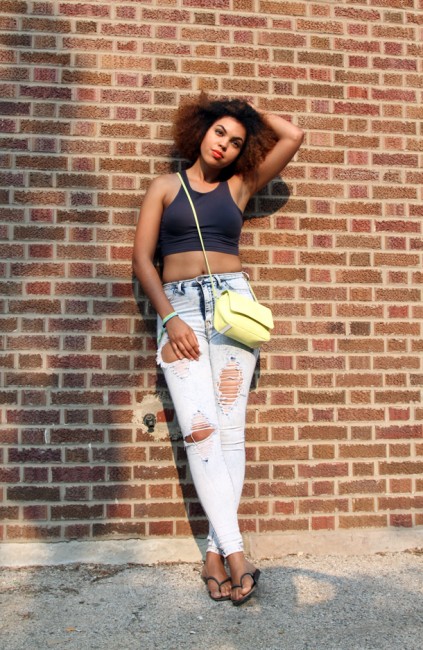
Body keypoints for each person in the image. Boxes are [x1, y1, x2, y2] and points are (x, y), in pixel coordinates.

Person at [132, 94, 303, 605]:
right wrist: (170, 318)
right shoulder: (165, 187)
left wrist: (249, 112)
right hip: (180, 310)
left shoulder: (240, 185)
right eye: (219, 131)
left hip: (233, 308)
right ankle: (236, 554)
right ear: (201, 130)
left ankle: (215, 554)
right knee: (200, 432)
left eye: (236, 140)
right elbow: (142, 261)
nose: (224, 144)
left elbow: (293, 136)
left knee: (229, 433)